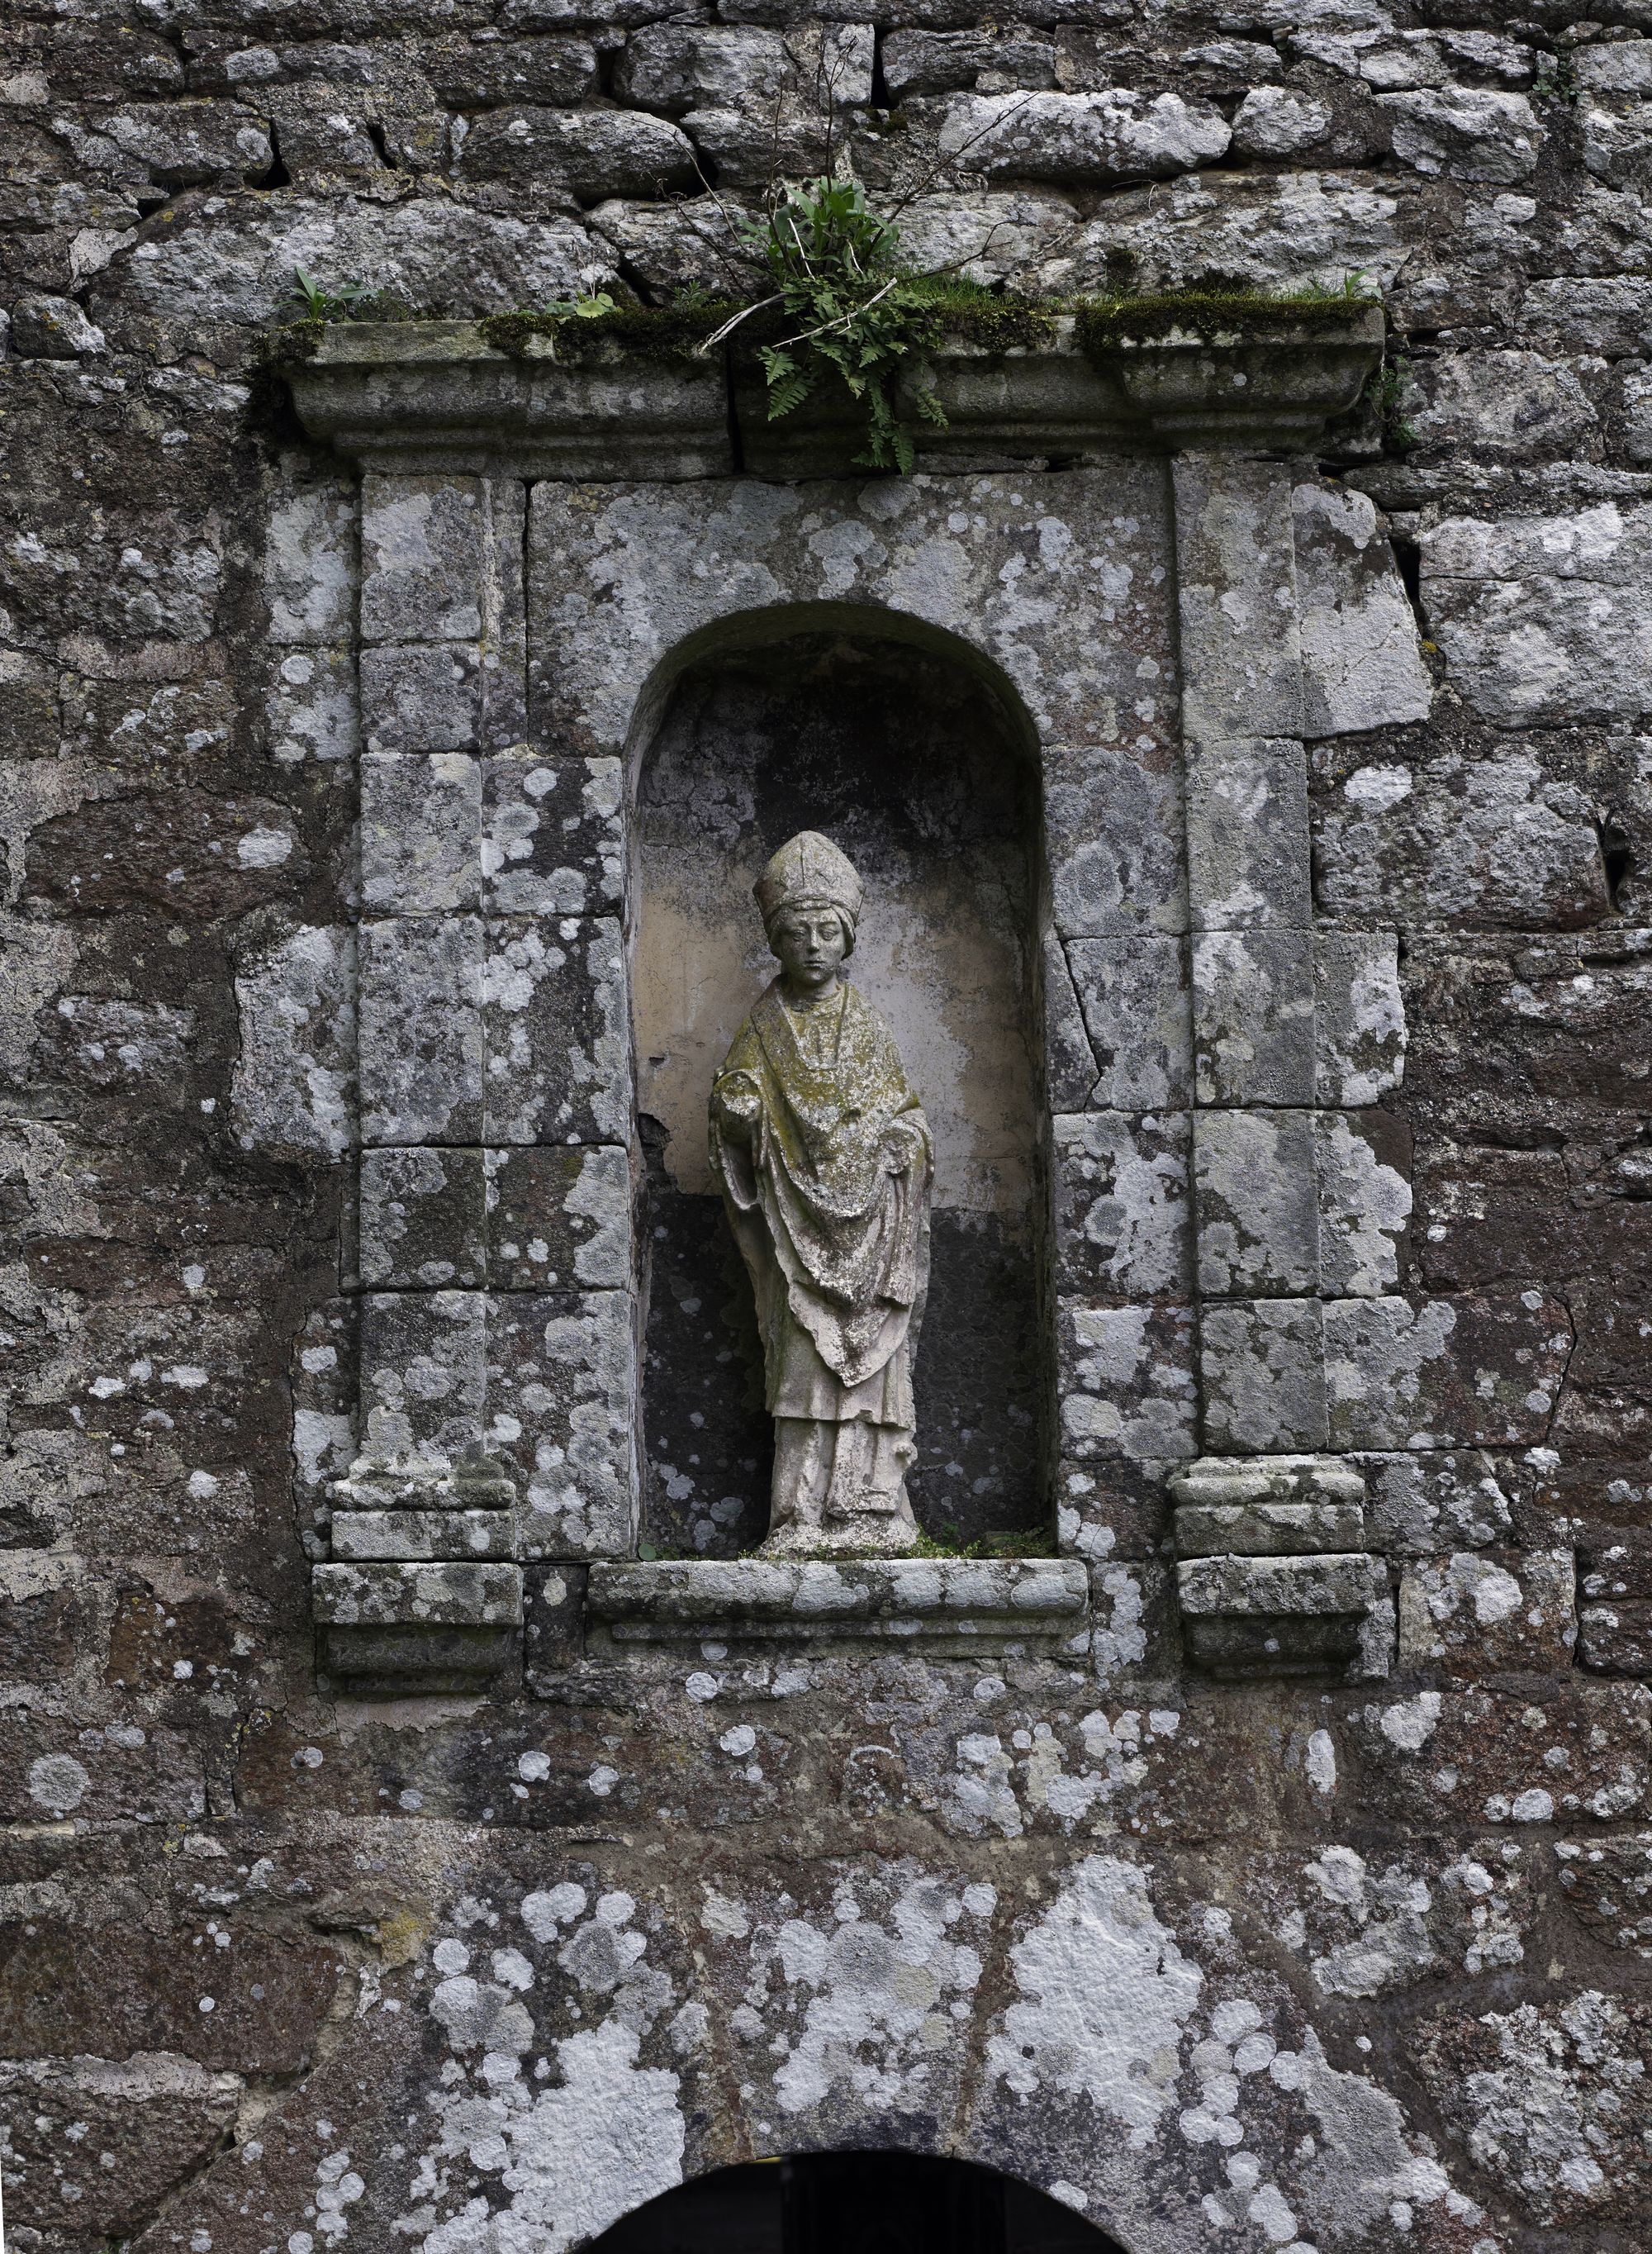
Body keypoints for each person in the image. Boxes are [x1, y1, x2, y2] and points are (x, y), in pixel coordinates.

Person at [709, 831, 933, 1555]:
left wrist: (903, 1145)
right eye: (798, 932)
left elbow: (906, 1114)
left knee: (873, 1375)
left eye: (827, 931)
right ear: (776, 941)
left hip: (870, 1227)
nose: (813, 946)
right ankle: (800, 1513)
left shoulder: (866, 1023)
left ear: (847, 939)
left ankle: (873, 1505)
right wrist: (739, 1114)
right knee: (804, 1368)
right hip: (796, 1229)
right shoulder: (764, 1027)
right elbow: (735, 1101)